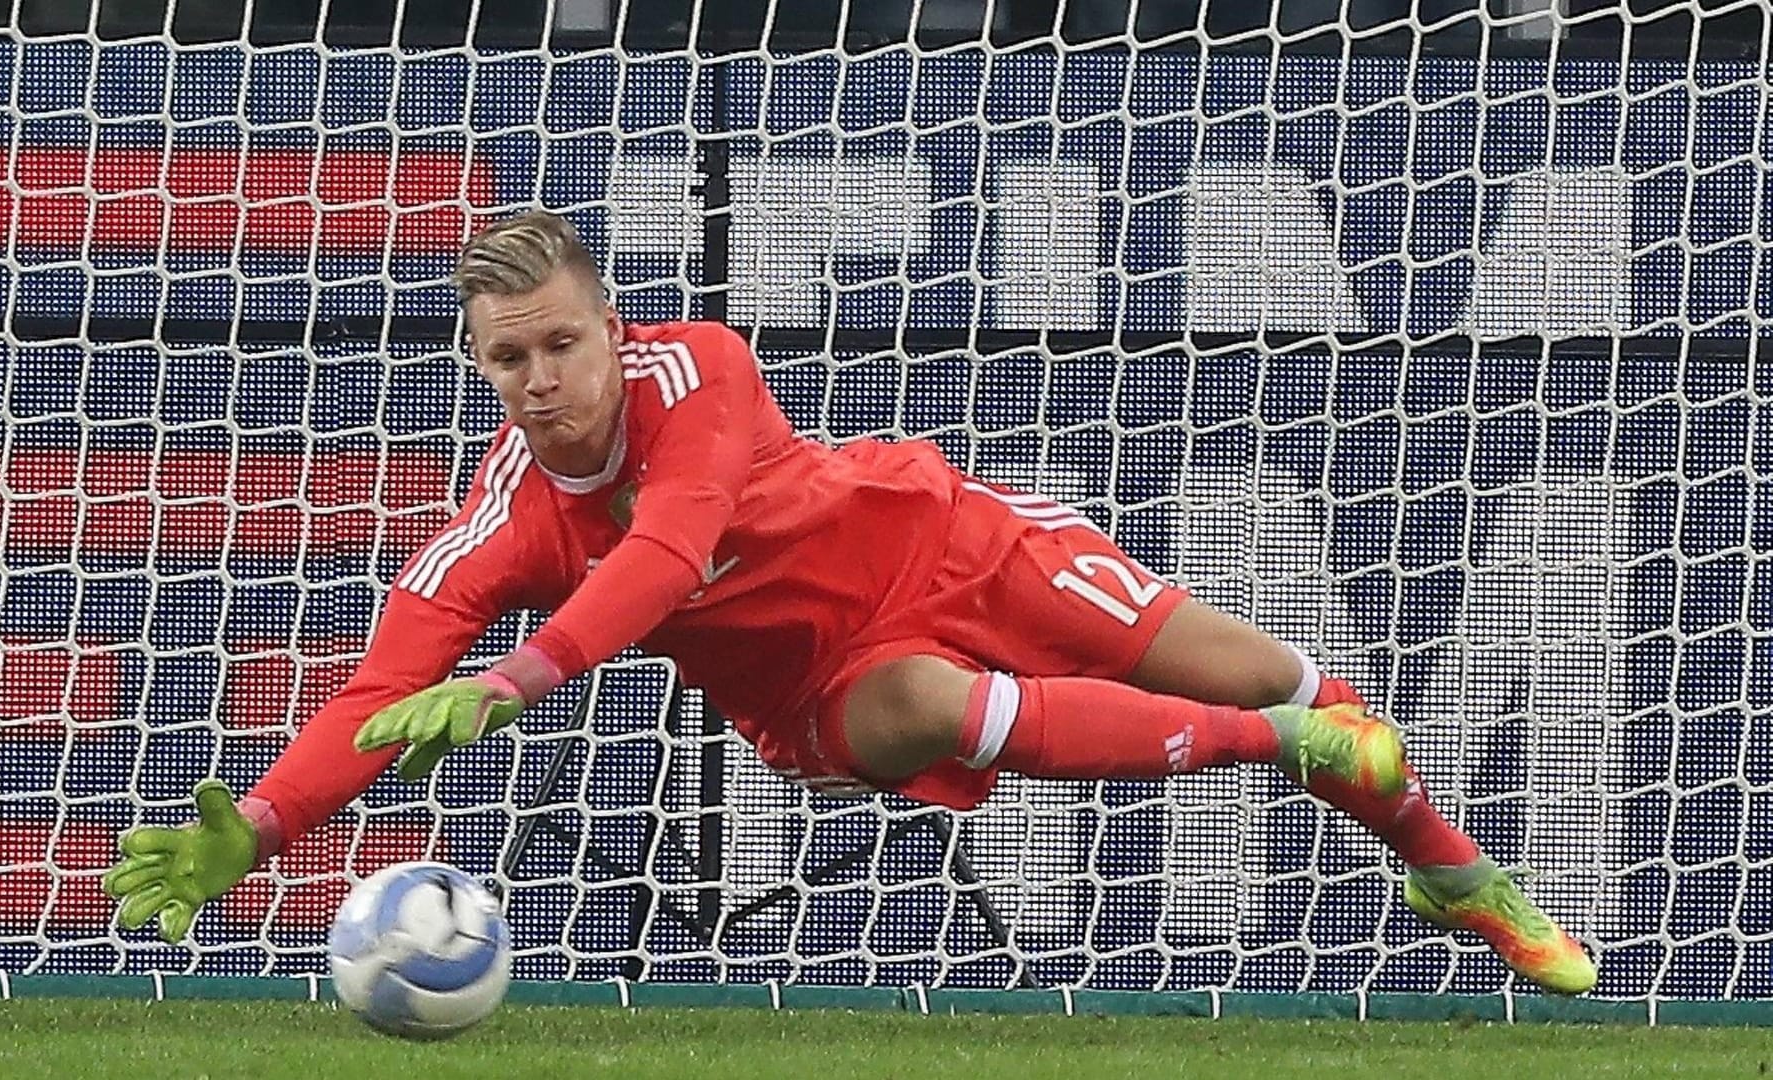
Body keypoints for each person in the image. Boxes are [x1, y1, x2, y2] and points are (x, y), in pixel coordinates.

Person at [102, 209, 1596, 995]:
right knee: (929, 709)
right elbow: (383, 679)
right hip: (822, 685)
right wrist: (269, 820)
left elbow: (669, 559)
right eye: (507, 360)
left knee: (1277, 670)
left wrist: (511, 684)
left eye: (560, 342)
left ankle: (1457, 875)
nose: (539, 379)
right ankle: (1278, 754)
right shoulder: (503, 519)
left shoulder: (706, 374)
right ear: (482, 367)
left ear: (613, 331)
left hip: (953, 538)